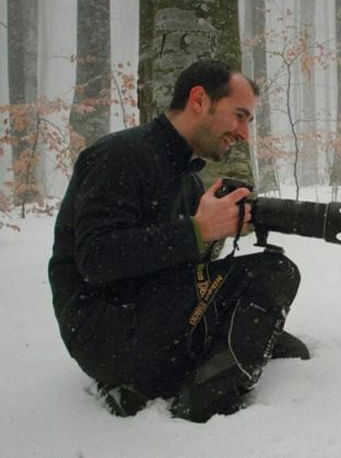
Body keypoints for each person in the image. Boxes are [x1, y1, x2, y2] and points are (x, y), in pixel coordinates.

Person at [48, 59, 309, 423]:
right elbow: (96, 259)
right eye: (239, 115)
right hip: (105, 332)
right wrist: (197, 231)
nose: (244, 133)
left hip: (149, 314)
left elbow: (174, 267)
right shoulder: (119, 155)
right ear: (199, 100)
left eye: (248, 120)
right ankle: (203, 402)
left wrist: (214, 233)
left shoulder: (187, 180)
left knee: (270, 322)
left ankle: (202, 355)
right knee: (274, 272)